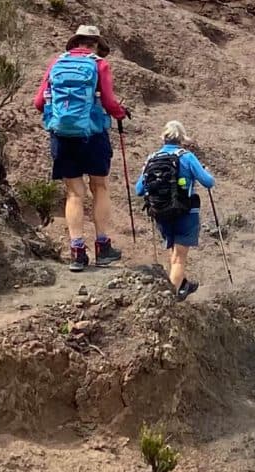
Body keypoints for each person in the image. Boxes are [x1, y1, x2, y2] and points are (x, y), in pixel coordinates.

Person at [35, 23, 129, 272]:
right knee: (99, 187)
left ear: (75, 42)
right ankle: (102, 246)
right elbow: (109, 102)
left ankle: (77, 252)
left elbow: (38, 101)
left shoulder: (56, 63)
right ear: (96, 44)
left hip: (63, 136)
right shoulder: (99, 64)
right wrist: (120, 112)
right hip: (94, 135)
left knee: (74, 194)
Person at [134, 119, 214, 299]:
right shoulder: (186, 156)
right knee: (179, 258)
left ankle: (182, 284)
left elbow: (139, 190)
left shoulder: (151, 159)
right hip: (186, 214)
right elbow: (208, 182)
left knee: (174, 253)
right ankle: (172, 299)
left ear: (163, 136)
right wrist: (203, 171)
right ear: (182, 138)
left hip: (161, 214)